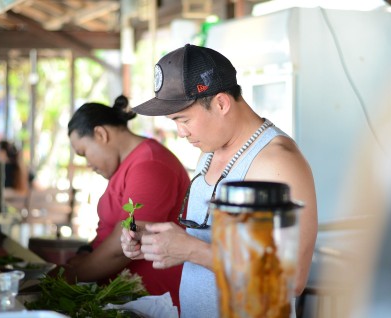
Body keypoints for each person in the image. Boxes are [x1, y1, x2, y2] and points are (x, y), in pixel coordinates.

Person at [121, 44, 318, 317]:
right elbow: (208, 238)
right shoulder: (211, 151)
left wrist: (191, 250)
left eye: (183, 119)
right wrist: (157, 242)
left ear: (221, 103)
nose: (180, 132)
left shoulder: (277, 162)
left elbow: (291, 278)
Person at [61, 95, 190, 309]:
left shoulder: (149, 164)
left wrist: (71, 275)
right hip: (122, 301)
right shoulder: (127, 165)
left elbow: (125, 243)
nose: (89, 164)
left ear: (100, 134)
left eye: (84, 153)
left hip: (150, 305)